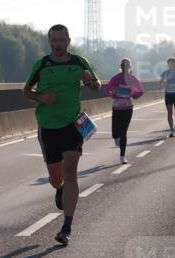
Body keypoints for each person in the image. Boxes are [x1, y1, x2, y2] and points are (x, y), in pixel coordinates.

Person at [23, 24, 101, 246]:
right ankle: (59, 188)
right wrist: (41, 98)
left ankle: (67, 226)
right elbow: (26, 91)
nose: (57, 44)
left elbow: (96, 85)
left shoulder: (79, 62)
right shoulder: (42, 64)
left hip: (72, 125)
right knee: (56, 178)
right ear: (49, 42)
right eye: (53, 41)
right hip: (48, 126)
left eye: (61, 40)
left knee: (71, 171)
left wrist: (89, 80)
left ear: (68, 40)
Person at [102, 58, 144, 164]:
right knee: (115, 133)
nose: (126, 67)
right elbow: (107, 89)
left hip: (127, 108)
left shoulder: (133, 79)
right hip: (116, 108)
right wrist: (113, 93)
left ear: (130, 67)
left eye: (128, 65)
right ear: (121, 67)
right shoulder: (116, 78)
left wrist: (132, 94)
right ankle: (117, 138)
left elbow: (140, 92)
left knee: (123, 132)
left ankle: (122, 156)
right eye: (124, 65)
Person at [160, 58, 175, 137]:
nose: (170, 64)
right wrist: (162, 85)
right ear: (168, 64)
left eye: (172, 63)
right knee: (169, 112)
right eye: (169, 63)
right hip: (168, 95)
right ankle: (171, 130)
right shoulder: (165, 73)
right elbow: (161, 81)